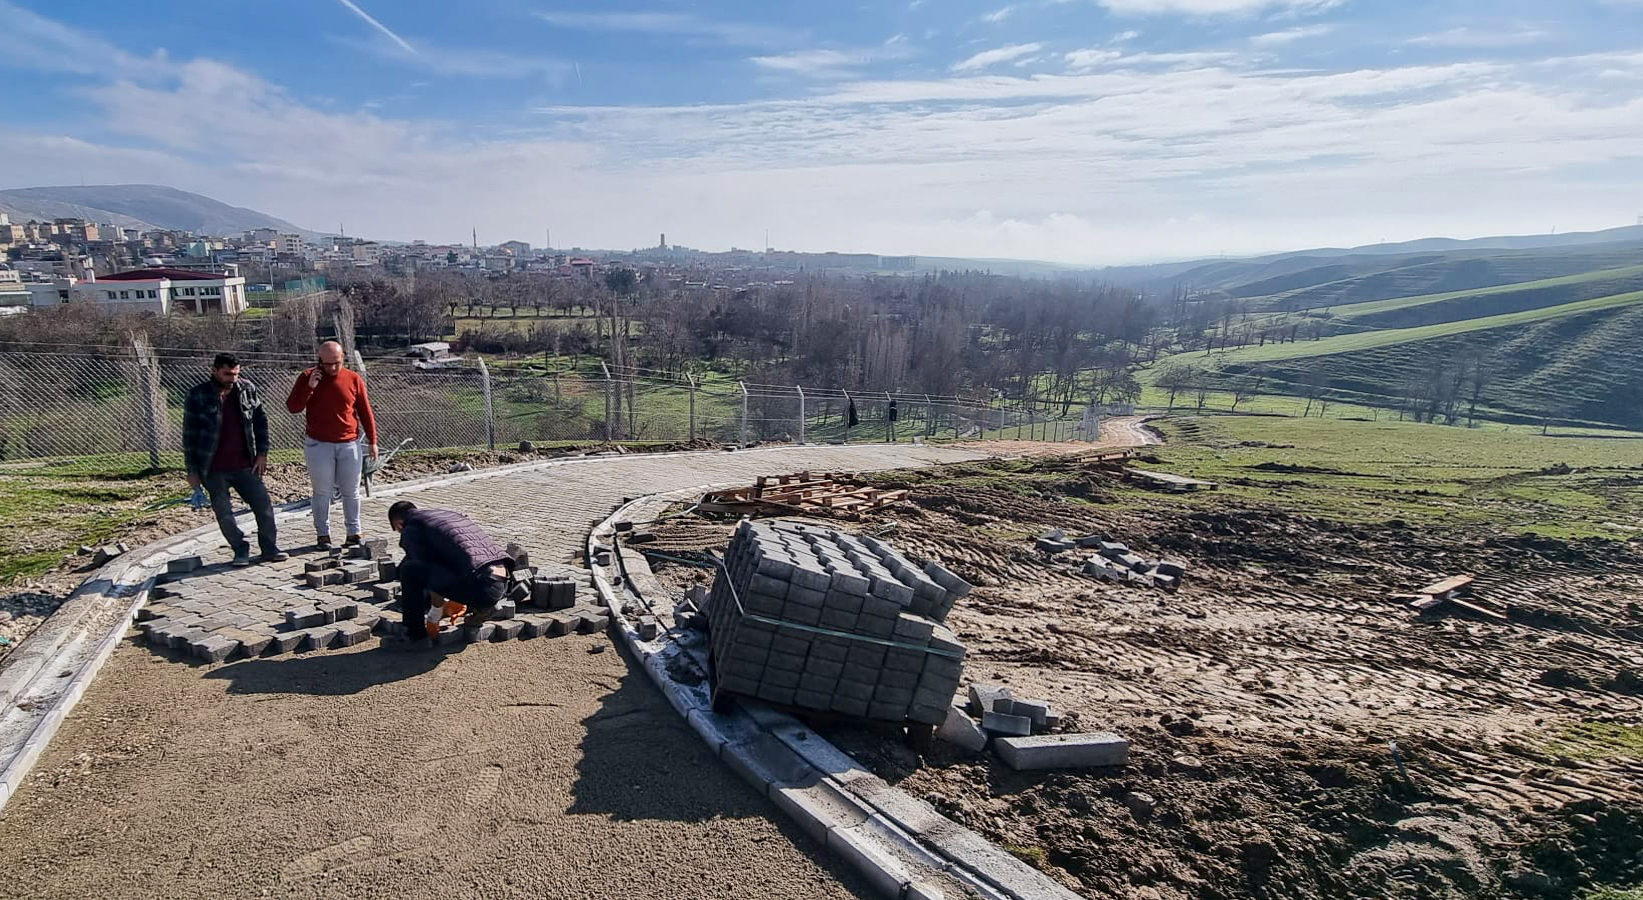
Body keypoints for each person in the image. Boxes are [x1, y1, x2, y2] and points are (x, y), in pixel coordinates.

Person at [182, 353, 287, 567]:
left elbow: (260, 422)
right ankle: (240, 548)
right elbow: (189, 436)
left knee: (263, 506)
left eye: (236, 374)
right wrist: (192, 471)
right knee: (223, 513)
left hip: (245, 464)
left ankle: (269, 548)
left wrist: (262, 453)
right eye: (227, 374)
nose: (232, 379)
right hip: (213, 467)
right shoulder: (198, 395)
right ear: (214, 371)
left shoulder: (247, 390)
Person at [286, 341, 378, 547]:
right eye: (327, 364)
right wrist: (310, 388)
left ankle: (354, 532)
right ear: (319, 361)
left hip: (349, 443)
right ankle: (323, 534)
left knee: (351, 490)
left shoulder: (353, 379)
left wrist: (372, 440)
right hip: (319, 444)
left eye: (336, 363)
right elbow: (293, 407)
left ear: (342, 358)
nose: (332, 368)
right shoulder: (307, 377)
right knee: (322, 491)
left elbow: (365, 411)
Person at [385, 501, 513, 649]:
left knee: (408, 570)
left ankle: (414, 636)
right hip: (502, 580)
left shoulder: (412, 528)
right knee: (451, 571)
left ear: (399, 524)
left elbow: (425, 569)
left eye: (398, 530)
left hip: (480, 586)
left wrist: (435, 611)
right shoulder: (445, 515)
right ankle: (484, 606)